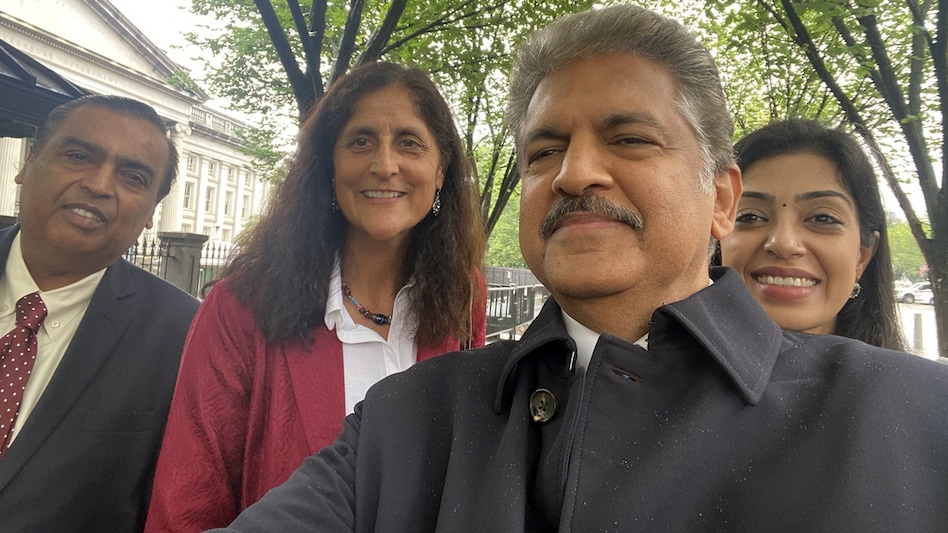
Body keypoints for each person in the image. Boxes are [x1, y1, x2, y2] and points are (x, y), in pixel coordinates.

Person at [212, 5, 948, 531]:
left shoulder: (913, 417)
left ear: (723, 198)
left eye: (629, 138)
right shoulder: (405, 425)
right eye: (542, 152)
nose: (574, 172)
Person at [144, 62, 486, 531]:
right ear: (328, 165)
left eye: (409, 142)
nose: (384, 165)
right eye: (360, 141)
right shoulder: (241, 306)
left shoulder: (464, 296)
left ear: (441, 170)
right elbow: (186, 499)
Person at [0, 95, 199, 532]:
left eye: (133, 177)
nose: (100, 184)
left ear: (151, 213)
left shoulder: (184, 336)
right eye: (78, 156)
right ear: (27, 162)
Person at [719, 119, 905, 349]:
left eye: (823, 218)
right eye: (749, 217)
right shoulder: (663, 380)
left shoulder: (921, 384)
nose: (784, 243)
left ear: (863, 256)